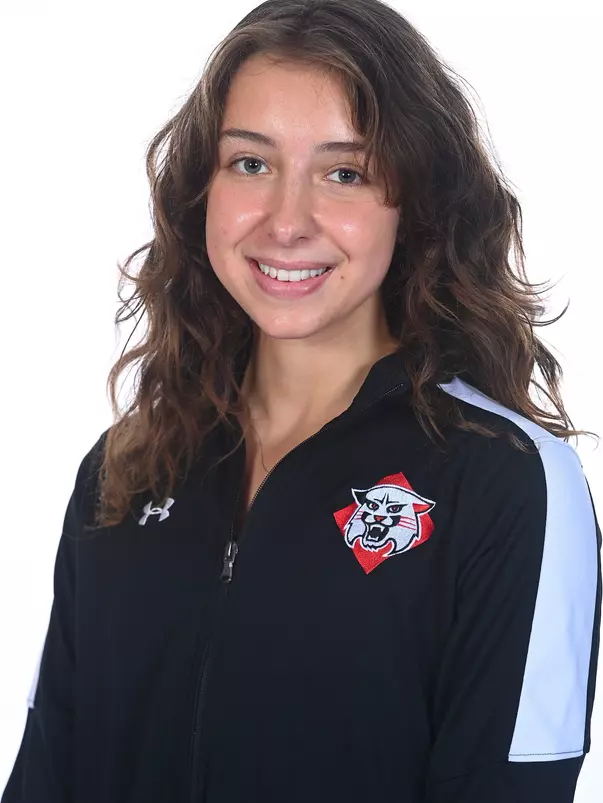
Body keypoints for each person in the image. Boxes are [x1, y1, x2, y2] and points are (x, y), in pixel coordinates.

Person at [2, 1, 601, 801]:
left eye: (343, 172)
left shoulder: (506, 481)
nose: (287, 222)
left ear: (414, 203)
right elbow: (48, 770)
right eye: (250, 164)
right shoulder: (125, 470)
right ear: (201, 190)